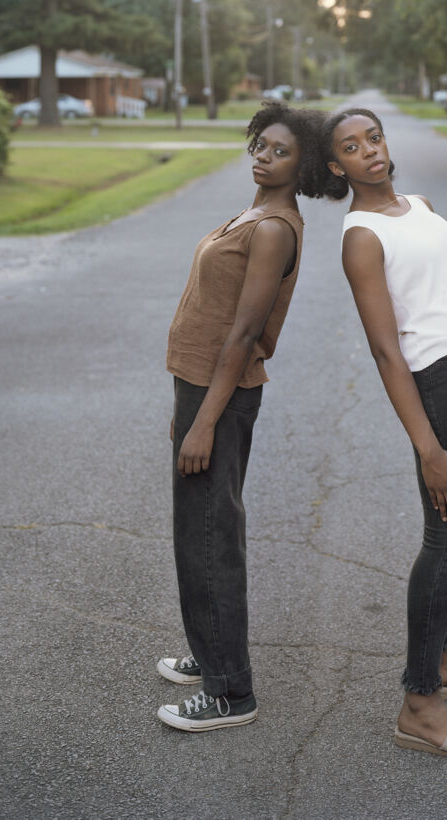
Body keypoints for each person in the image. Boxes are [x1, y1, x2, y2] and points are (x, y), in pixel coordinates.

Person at [317, 107, 447, 761]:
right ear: (334, 165)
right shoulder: (361, 237)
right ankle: (420, 702)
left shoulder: (421, 204)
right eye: (350, 147)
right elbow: (385, 352)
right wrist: (427, 446)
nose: (368, 151)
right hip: (441, 380)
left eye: (372, 137)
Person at [156, 102, 323, 732]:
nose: (264, 156)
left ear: (303, 166)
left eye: (281, 152)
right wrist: (191, 410)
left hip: (219, 394)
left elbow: (245, 331)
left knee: (210, 538)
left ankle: (231, 693)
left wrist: (204, 422)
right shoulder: (255, 210)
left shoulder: (276, 226)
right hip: (202, 391)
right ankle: (209, 657)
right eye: (261, 145)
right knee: (196, 530)